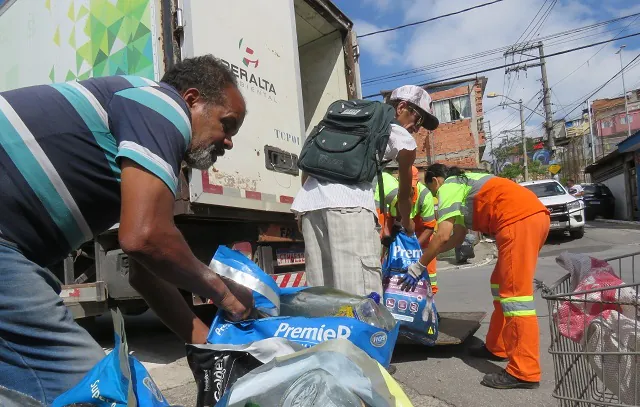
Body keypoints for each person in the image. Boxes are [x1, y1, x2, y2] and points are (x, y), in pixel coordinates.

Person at [0, 55, 254, 404]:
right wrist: (223, 293)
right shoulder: (161, 105)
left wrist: (206, 345)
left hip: (15, 248)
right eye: (227, 124)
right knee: (96, 389)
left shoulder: (138, 145)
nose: (228, 142)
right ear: (192, 100)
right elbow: (144, 237)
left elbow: (145, 274)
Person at [403, 164, 550, 389]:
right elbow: (456, 237)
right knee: (500, 284)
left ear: (436, 180)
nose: (434, 195)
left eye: (431, 189)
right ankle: (497, 346)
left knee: (515, 297)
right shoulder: (466, 185)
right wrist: (427, 254)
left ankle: (525, 371)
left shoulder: (449, 186)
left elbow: (442, 235)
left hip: (517, 221)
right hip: (528, 217)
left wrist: (418, 265)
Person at [292, 85, 439, 297]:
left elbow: (309, 164)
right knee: (360, 296)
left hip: (309, 207)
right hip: (350, 209)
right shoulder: (400, 136)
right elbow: (405, 195)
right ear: (402, 107)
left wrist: (303, 207)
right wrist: (406, 225)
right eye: (419, 119)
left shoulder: (340, 121)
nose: (418, 127)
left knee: (322, 293)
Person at [390, 166, 438, 293]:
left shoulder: (425, 195)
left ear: (416, 181)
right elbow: (395, 224)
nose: (409, 189)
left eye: (411, 186)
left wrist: (414, 247)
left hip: (423, 238)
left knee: (429, 280)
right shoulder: (396, 197)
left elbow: (429, 227)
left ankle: (429, 304)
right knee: (400, 277)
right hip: (404, 237)